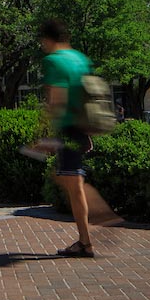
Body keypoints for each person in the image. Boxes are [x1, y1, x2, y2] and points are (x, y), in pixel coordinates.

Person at [40, 19, 111, 258]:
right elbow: (88, 97)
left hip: (67, 129)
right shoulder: (80, 58)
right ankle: (86, 239)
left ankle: (91, 233)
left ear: (47, 39)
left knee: (73, 184)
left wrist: (49, 135)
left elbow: (57, 99)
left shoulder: (53, 61)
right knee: (68, 180)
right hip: (80, 127)